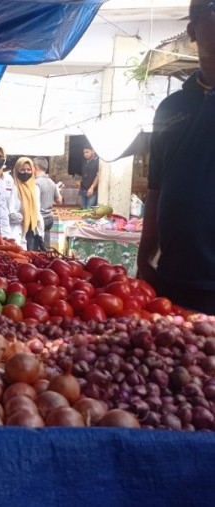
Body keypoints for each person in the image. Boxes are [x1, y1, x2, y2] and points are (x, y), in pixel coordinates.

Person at [137, 0, 215, 314]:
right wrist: (145, 255)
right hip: (173, 277)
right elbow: (156, 189)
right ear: (192, 30)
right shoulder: (170, 108)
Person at [10, 157, 44, 250]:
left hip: (33, 230)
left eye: (29, 170)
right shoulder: (13, 188)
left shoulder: (35, 188)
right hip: (18, 228)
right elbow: (10, 210)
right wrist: (22, 217)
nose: (26, 172)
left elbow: (37, 210)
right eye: (22, 169)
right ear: (17, 171)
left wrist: (40, 230)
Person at [33, 156, 62, 250]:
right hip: (49, 218)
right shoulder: (52, 183)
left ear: (35, 167)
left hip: (40, 219)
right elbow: (59, 201)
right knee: (45, 247)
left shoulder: (36, 183)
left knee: (36, 249)